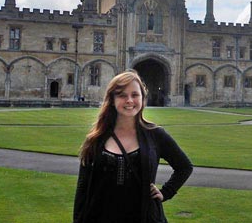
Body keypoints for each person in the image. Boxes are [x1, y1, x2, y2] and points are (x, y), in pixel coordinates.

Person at [73, 70, 193, 223]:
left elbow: (184, 166)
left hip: (144, 216)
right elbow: (83, 189)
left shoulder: (155, 135)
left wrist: (166, 192)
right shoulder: (96, 139)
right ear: (112, 100)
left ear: (142, 99)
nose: (129, 100)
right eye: (122, 95)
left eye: (135, 95)